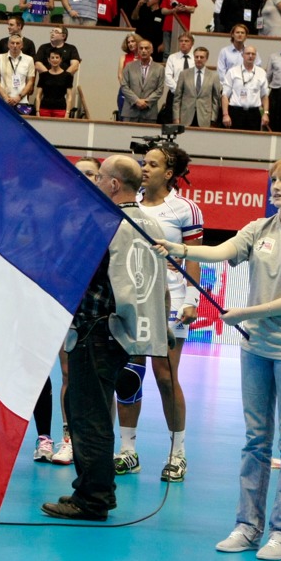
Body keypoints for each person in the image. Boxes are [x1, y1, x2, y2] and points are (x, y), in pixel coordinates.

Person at [157, 161, 281, 559]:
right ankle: (248, 525)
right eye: (274, 180)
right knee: (255, 440)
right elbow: (221, 251)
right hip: (255, 348)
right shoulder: (259, 228)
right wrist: (179, 249)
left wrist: (247, 313)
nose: (276, 187)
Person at [41, 155, 168, 520]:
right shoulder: (148, 222)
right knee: (97, 411)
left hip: (96, 328)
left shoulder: (104, 222)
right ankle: (98, 490)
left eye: (100, 179)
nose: (95, 184)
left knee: (88, 415)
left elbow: (75, 270)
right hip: (126, 331)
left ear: (114, 184)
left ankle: (93, 497)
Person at [110, 144, 202, 481]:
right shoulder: (127, 206)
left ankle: (178, 454)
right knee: (128, 377)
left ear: (169, 172)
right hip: (134, 301)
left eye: (153, 164)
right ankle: (128, 451)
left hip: (171, 300)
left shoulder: (185, 209)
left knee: (166, 378)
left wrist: (191, 299)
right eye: (143, 163)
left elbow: (192, 255)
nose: (145, 168)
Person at [221, 44, 270, 131]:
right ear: (242, 55)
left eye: (253, 54)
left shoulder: (261, 73)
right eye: (248, 53)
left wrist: (265, 113)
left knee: (253, 142)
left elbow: (264, 96)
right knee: (234, 141)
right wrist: (225, 114)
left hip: (254, 113)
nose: (250, 56)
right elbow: (225, 95)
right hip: (236, 112)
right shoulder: (232, 72)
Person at [174, 45, 222, 126]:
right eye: (197, 57)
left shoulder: (214, 76)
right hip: (185, 117)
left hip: (205, 117)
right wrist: (176, 117)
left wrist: (213, 118)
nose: (199, 59)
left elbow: (215, 99)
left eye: (202, 57)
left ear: (206, 59)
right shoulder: (184, 74)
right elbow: (177, 98)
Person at [119, 39, 165, 122]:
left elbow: (160, 90)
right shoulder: (129, 66)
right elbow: (124, 86)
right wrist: (136, 101)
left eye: (146, 48)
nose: (143, 51)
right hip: (130, 111)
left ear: (152, 50)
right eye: (141, 48)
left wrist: (146, 102)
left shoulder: (160, 68)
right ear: (138, 51)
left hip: (149, 113)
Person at [0, 34, 37, 110]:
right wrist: (5, 97)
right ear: (8, 45)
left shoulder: (29, 59)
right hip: (3, 99)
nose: (15, 45)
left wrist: (19, 97)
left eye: (17, 43)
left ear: (22, 45)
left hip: (21, 101)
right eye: (12, 43)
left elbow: (30, 82)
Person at [36, 49, 74, 116]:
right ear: (48, 60)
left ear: (61, 59)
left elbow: (69, 96)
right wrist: (37, 111)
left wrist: (67, 112)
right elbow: (38, 95)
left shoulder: (67, 76)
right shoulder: (43, 75)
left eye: (57, 57)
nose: (55, 60)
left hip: (60, 109)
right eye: (52, 57)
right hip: (44, 109)